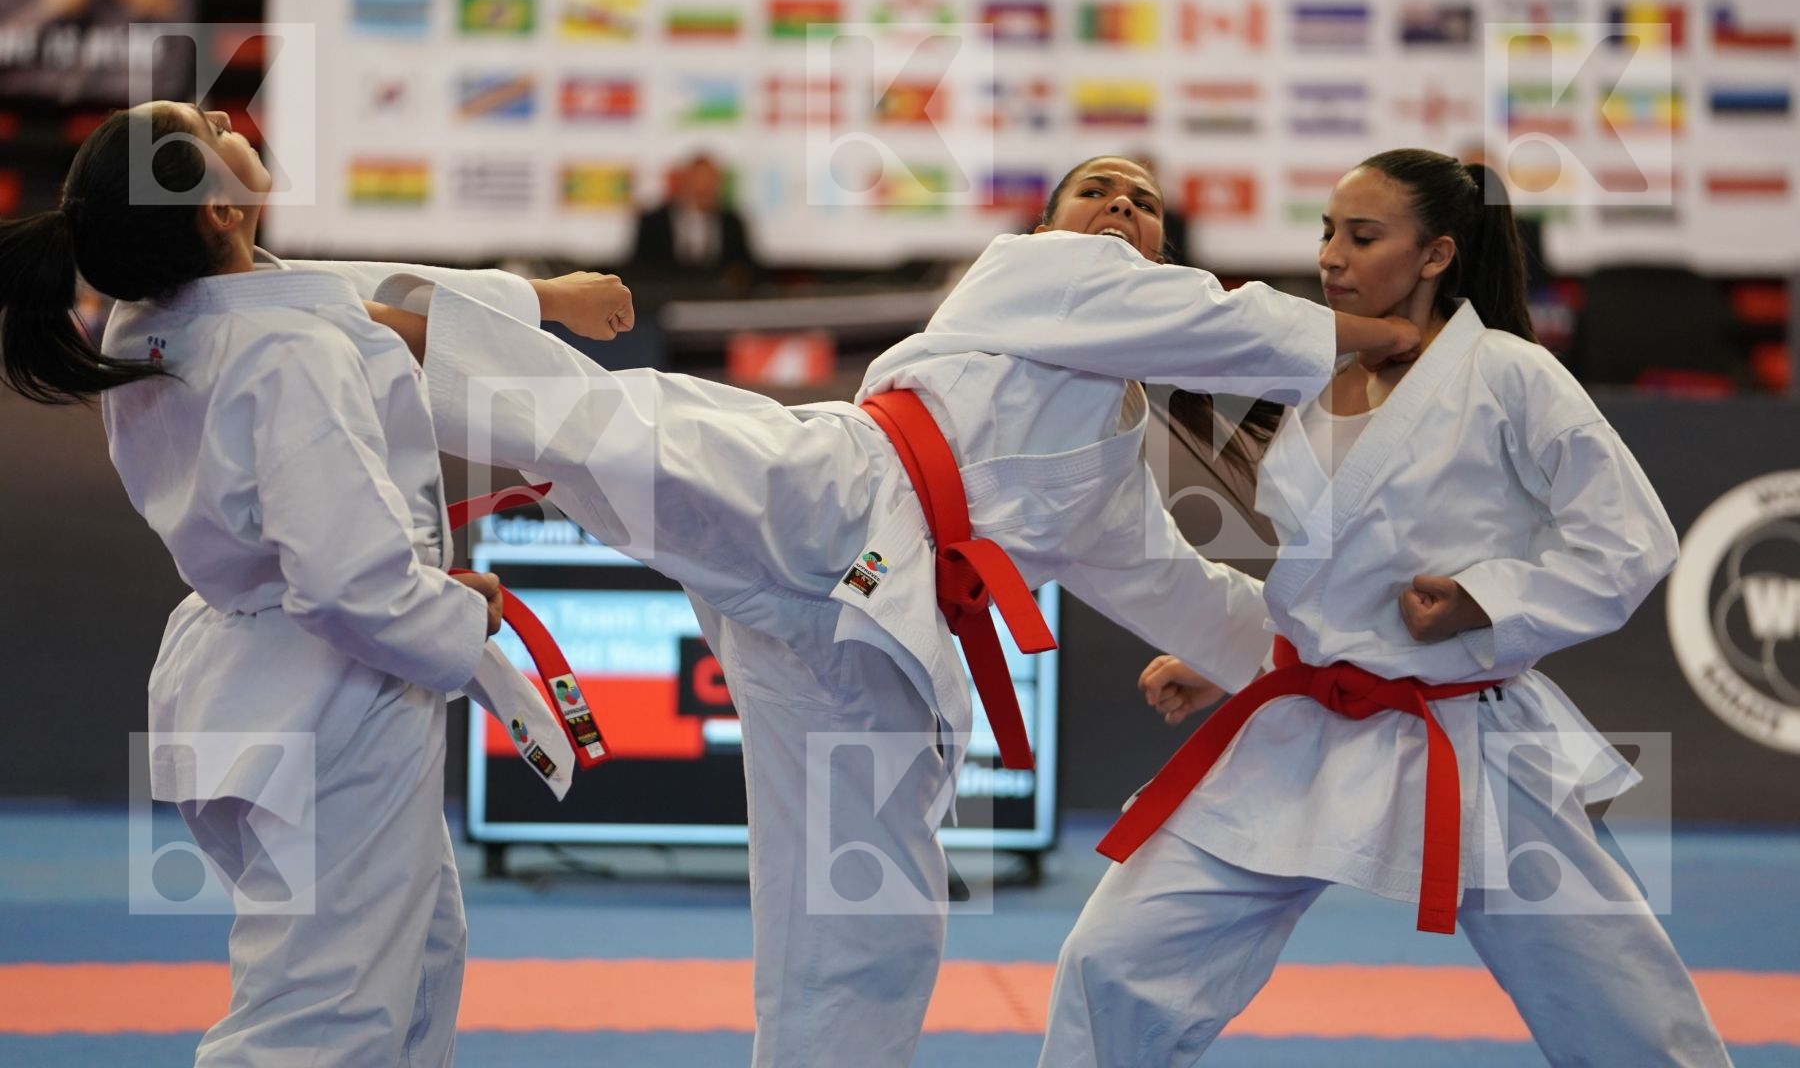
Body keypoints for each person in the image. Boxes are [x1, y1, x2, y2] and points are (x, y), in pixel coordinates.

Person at [358, 154, 1419, 1067]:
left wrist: (1342, 662)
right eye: (1095, 192)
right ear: (1049, 225)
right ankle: (365, 336)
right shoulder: (1036, 271)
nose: (1118, 211)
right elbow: (1233, 327)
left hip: (877, 645)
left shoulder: (1109, 484)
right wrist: (1405, 337)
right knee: (617, 427)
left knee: (868, 926)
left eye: (1141, 203)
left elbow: (1194, 600)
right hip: (837, 487)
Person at [1040, 149, 1729, 1066]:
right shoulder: (1311, 376)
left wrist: (1486, 602)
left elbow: (1632, 540)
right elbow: (1326, 578)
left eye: (1363, 237)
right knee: (1115, 959)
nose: (1332, 256)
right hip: (1306, 725)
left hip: (1466, 734)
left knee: (1620, 1007)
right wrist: (1236, 656)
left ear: (1436, 254)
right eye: (1327, 231)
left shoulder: (1513, 375)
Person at [0, 101, 618, 1065]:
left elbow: (352, 297)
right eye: (203, 130)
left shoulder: (158, 317)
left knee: (412, 962)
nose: (223, 114)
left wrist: (545, 302)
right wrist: (463, 609)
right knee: (320, 1022)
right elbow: (349, 587)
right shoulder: (287, 359)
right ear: (217, 212)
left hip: (256, 687)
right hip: (327, 694)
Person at [629, 152, 758, 297]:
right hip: (664, 301)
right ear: (685, 181)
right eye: (699, 180)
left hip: (718, 300)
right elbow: (639, 269)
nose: (704, 187)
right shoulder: (654, 222)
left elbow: (747, 269)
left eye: (711, 181)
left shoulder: (731, 222)